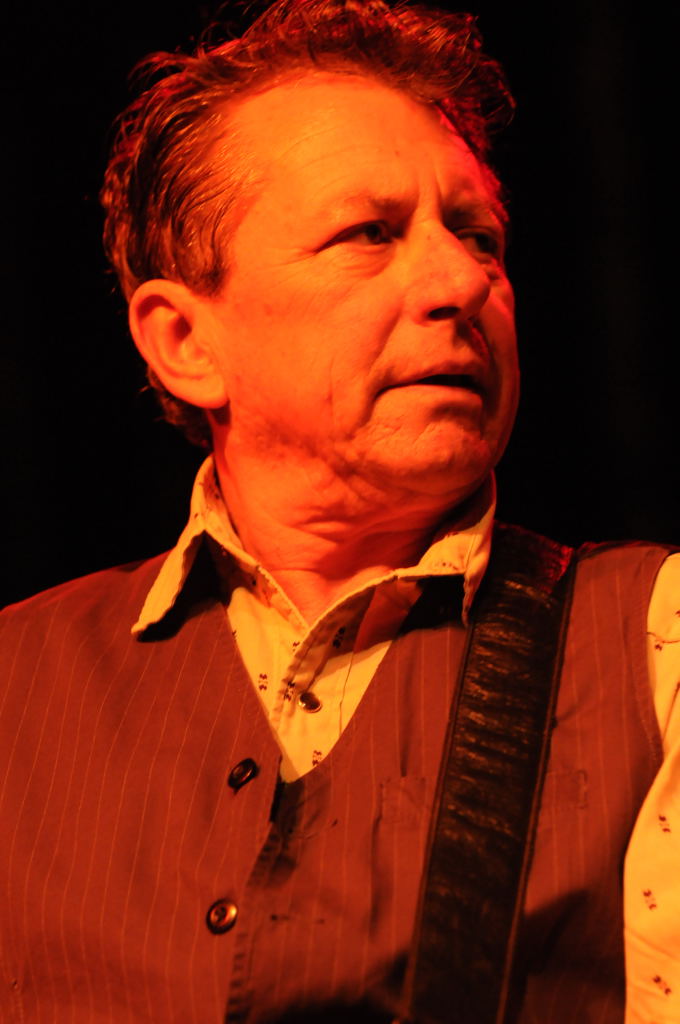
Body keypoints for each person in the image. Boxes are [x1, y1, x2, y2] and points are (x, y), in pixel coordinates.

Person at [1, 1, 678, 1021]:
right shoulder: (16, 679)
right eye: (369, 234)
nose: (461, 281)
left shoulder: (654, 640)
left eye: (478, 236)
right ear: (185, 341)